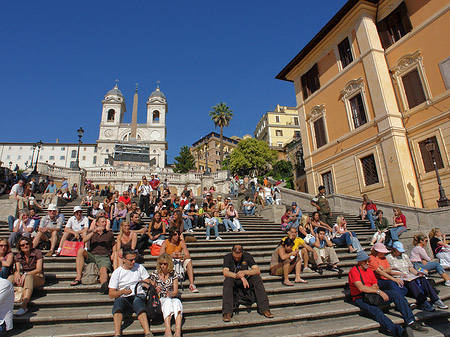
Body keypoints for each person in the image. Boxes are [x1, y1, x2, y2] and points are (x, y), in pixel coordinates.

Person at [348, 250, 428, 337]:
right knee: (377, 312)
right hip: (360, 297)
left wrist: (374, 290)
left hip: (373, 295)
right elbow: (361, 288)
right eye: (365, 261)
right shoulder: (354, 271)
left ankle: (410, 321)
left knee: (396, 294)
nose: (368, 263)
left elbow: (375, 285)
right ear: (359, 261)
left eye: (368, 260)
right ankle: (400, 332)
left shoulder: (369, 271)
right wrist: (377, 291)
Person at [387, 241, 448, 311]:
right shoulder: (389, 258)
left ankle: (436, 299)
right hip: (399, 278)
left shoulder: (404, 256)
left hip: (408, 275)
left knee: (423, 279)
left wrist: (418, 273)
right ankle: (423, 302)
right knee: (412, 283)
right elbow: (388, 271)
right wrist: (399, 274)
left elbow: (410, 268)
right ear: (394, 249)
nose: (400, 252)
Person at [222, 244, 273, 322]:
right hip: (234, 279)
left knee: (257, 278)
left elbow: (257, 270)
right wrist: (240, 276)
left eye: (238, 257)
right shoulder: (227, 257)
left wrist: (244, 272)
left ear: (242, 253)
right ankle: (227, 312)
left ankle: (265, 309)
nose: (236, 259)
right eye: (235, 257)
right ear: (232, 252)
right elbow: (225, 272)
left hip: (246, 280)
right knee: (228, 281)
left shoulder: (247, 256)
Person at [108, 249, 153, 337]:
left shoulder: (139, 268)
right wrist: (121, 292)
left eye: (134, 259)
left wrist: (148, 283)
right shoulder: (117, 272)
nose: (133, 262)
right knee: (118, 303)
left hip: (138, 294)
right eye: (131, 260)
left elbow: (148, 280)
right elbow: (111, 293)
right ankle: (117, 334)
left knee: (138, 301)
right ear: (124, 260)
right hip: (124, 296)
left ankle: (147, 332)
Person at [70, 216, 115, 293]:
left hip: (104, 256)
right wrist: (94, 231)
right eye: (102, 222)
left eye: (105, 222)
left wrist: (113, 254)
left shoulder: (109, 234)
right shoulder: (91, 232)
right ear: (97, 223)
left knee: (103, 269)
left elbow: (114, 245)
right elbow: (84, 240)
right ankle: (78, 277)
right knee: (81, 251)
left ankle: (104, 285)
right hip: (92, 255)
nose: (104, 223)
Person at [8, 237, 45, 316]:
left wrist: (26, 274)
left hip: (38, 276)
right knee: (10, 278)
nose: (25, 246)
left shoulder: (37, 252)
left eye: (27, 244)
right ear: (20, 247)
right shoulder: (18, 256)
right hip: (25, 277)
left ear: (30, 244)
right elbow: (17, 269)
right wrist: (16, 274)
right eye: (22, 245)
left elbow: (39, 269)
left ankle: (24, 305)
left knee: (29, 277)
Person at [150, 253, 183, 337]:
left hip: (170, 296)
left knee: (177, 302)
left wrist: (171, 293)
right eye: (161, 264)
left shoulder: (173, 274)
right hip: (160, 298)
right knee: (167, 301)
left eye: (165, 264)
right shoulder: (155, 274)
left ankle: (178, 330)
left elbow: (176, 291)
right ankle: (167, 329)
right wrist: (155, 287)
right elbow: (149, 285)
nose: (163, 266)